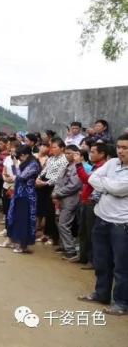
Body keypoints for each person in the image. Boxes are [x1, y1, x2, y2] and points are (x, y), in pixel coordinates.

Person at [78, 134, 128, 316]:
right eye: (119, 147)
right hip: (102, 218)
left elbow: (118, 189)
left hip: (122, 224)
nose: (120, 151)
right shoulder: (112, 163)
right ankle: (101, 294)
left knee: (121, 266)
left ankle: (121, 303)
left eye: (125, 148)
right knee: (101, 261)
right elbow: (92, 178)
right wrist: (110, 185)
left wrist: (106, 184)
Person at [0, 145, 40, 253]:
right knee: (12, 217)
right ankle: (10, 239)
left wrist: (16, 165)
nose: (19, 159)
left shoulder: (33, 164)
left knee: (23, 220)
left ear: (25, 155)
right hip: (18, 193)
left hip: (27, 195)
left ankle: (23, 245)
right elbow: (17, 176)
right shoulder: (25, 162)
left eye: (19, 156)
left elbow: (21, 176)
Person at [75, 142, 108, 270]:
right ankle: (83, 256)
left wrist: (78, 165)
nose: (90, 154)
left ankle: (92, 260)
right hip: (86, 202)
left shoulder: (103, 167)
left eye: (93, 152)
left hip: (92, 203)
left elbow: (87, 180)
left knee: (91, 233)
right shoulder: (96, 166)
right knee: (83, 231)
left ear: (102, 154)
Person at [52, 145, 84, 260]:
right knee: (59, 221)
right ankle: (64, 246)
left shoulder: (77, 167)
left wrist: (57, 193)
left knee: (64, 223)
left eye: (69, 153)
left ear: (76, 154)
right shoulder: (65, 165)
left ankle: (70, 250)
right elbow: (58, 181)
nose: (67, 155)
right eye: (66, 153)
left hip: (71, 199)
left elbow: (74, 185)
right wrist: (55, 193)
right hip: (60, 198)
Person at [35, 138, 69, 246]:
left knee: (51, 212)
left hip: (53, 186)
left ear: (62, 148)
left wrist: (45, 183)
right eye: (52, 147)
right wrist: (38, 178)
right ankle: (45, 234)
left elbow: (59, 176)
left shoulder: (64, 160)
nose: (52, 149)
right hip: (43, 184)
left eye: (55, 147)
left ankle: (54, 237)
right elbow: (44, 170)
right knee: (44, 211)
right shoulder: (51, 158)